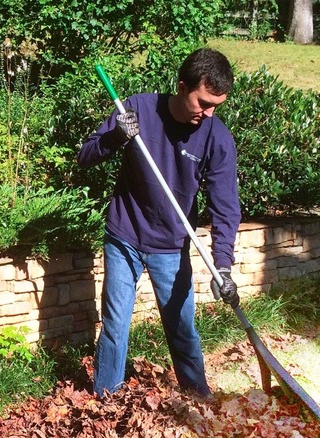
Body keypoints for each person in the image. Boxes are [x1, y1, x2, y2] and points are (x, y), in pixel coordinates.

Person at [77, 48, 241, 398]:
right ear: (182, 87)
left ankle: (199, 398)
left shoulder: (217, 137)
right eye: (203, 103)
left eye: (216, 106)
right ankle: (105, 402)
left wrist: (222, 266)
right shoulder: (137, 109)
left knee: (182, 328)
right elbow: (85, 156)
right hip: (124, 235)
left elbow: (225, 207)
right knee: (116, 325)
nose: (209, 113)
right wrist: (115, 137)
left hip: (171, 245)